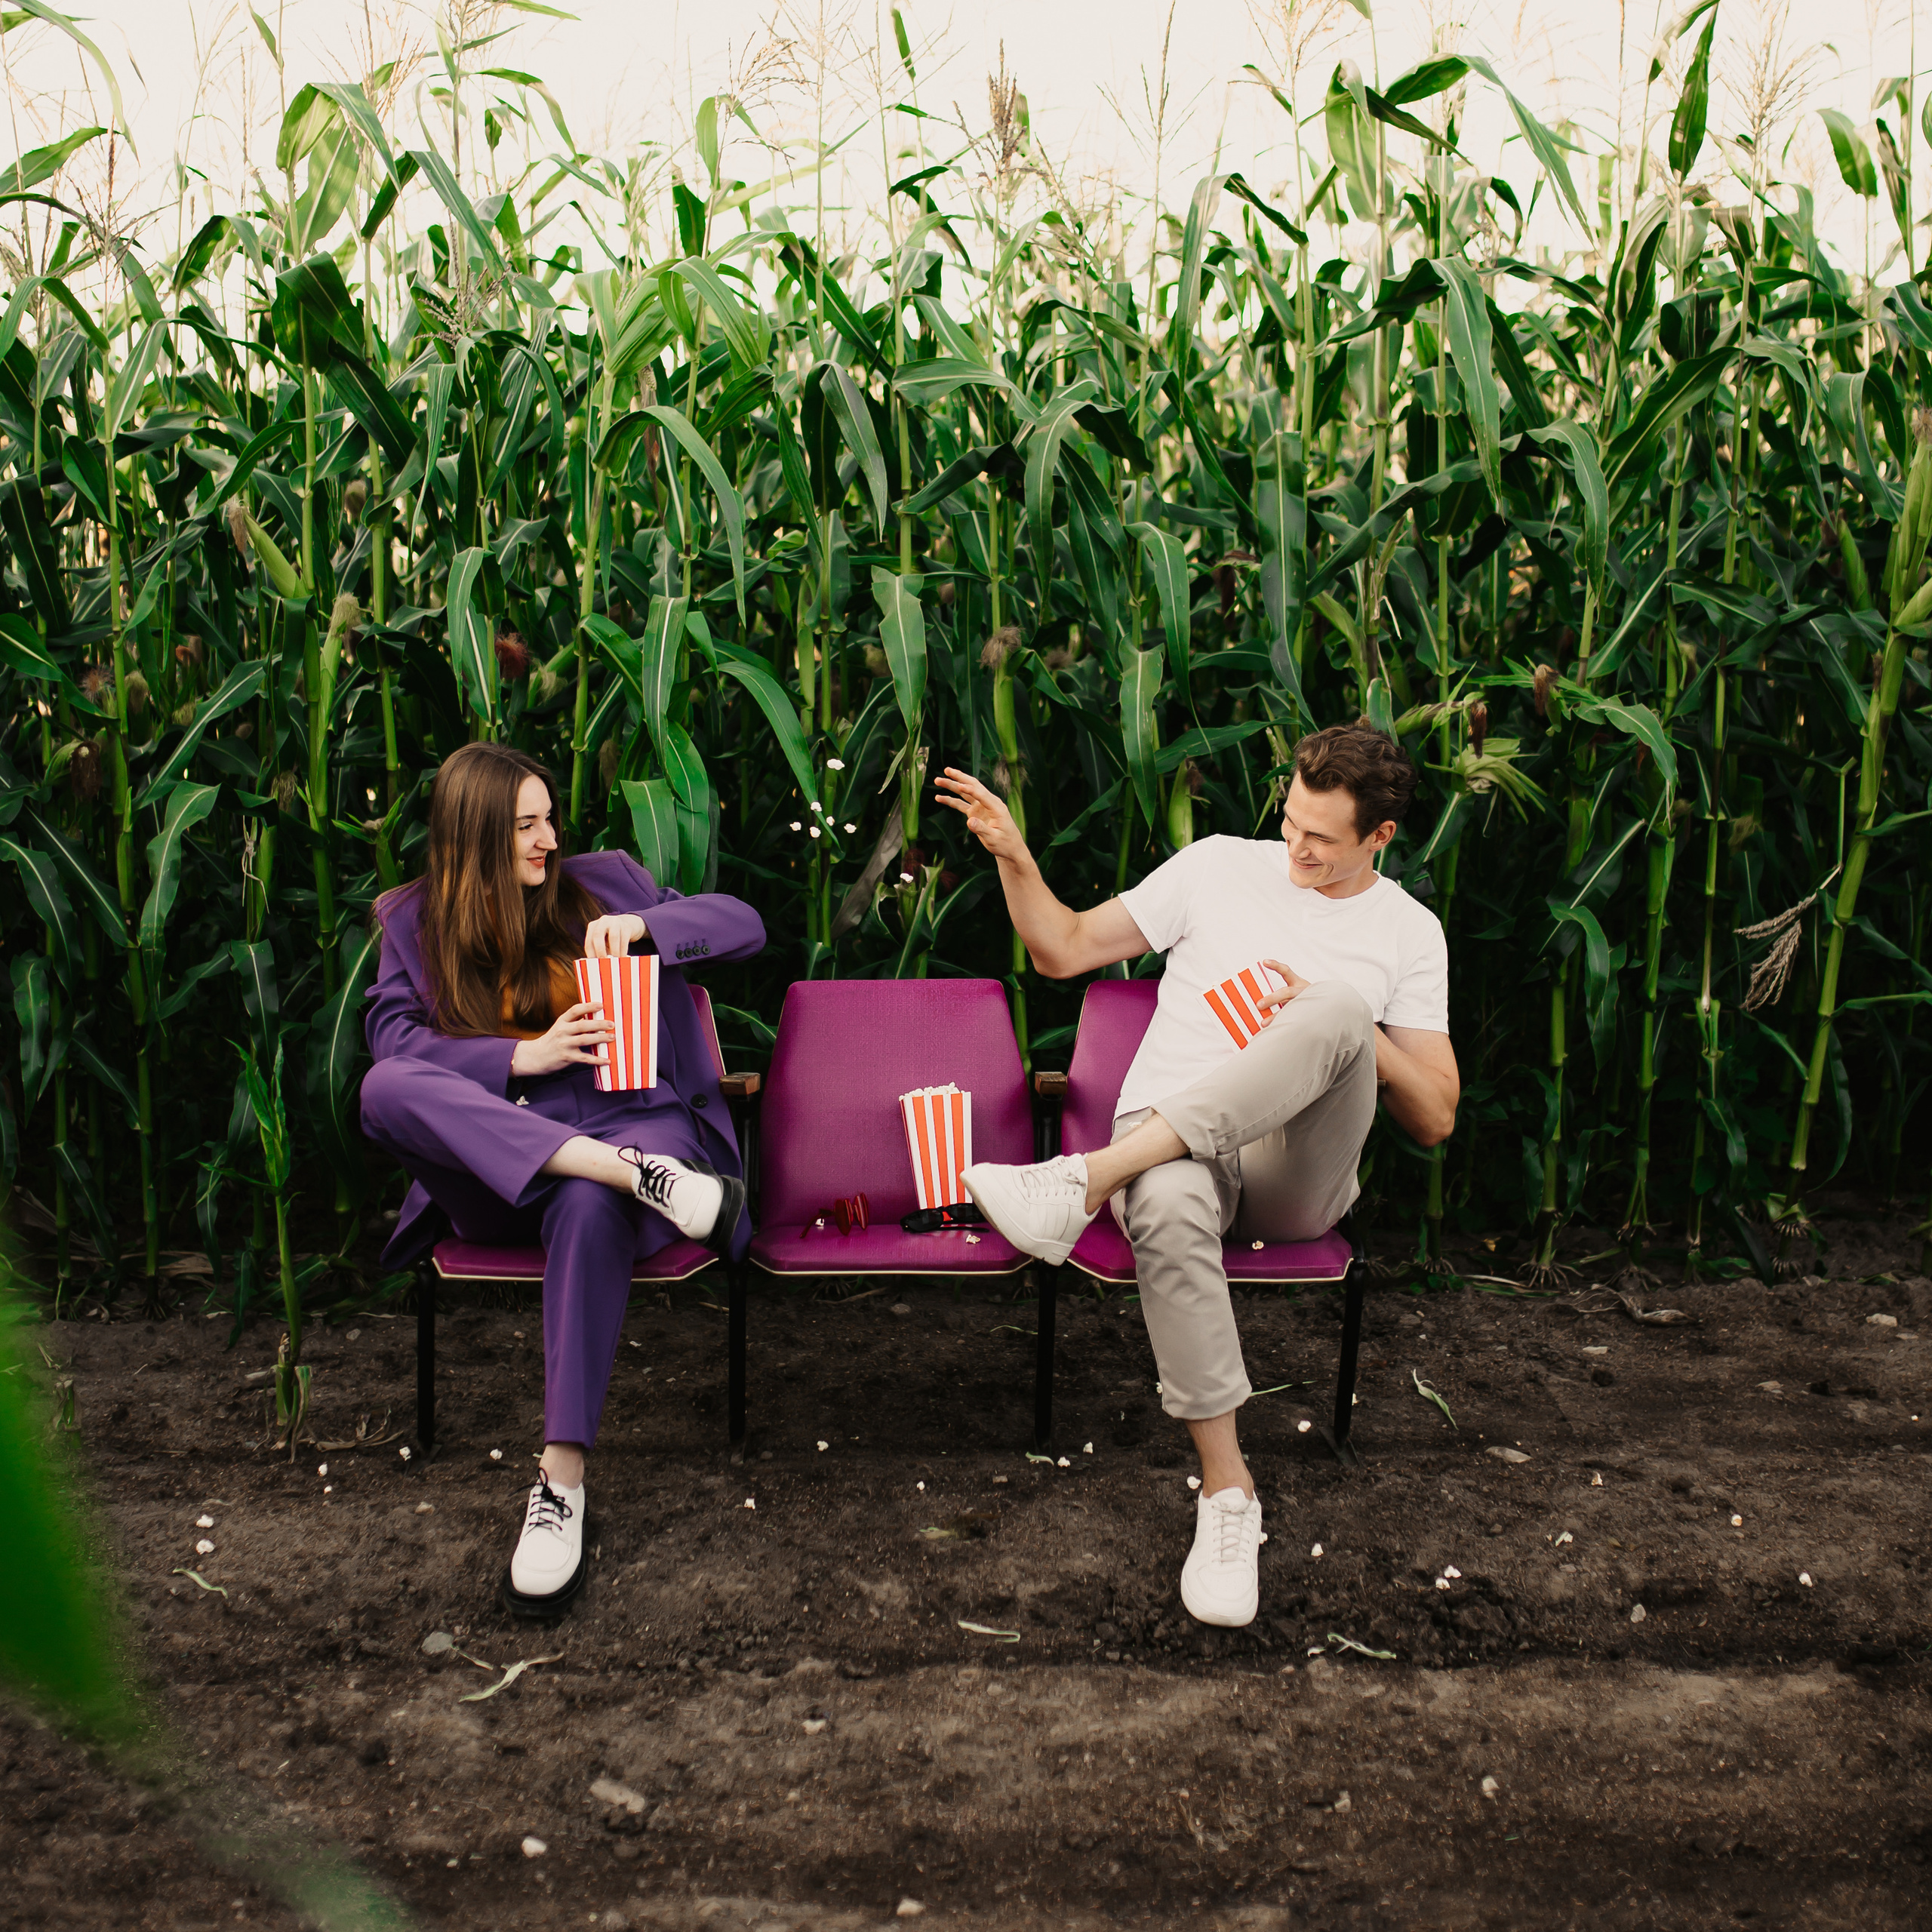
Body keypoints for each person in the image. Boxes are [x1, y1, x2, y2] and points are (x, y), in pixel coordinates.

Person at [937, 722, 1457, 1629]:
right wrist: (1016, 855)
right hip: (1177, 1151)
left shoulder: (1408, 931)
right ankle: (1227, 1494)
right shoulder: (1216, 865)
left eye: (1321, 839)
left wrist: (1347, 1030)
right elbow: (1060, 948)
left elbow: (1436, 1114)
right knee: (1169, 1201)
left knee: (1334, 1003)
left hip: (1296, 1170)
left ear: (1380, 835)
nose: (1295, 847)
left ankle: (1080, 1178)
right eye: (1290, 820)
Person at [361, 742, 764, 1611]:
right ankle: (626, 1174)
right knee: (382, 1086)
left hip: (641, 1125)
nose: (547, 839)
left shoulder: (607, 881)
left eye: (548, 818)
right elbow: (396, 1046)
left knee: (588, 1201)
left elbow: (744, 924)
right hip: (503, 1172)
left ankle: (560, 1484)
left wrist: (649, 927)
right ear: (471, 838)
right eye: (523, 826)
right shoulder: (411, 922)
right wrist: (522, 1056)